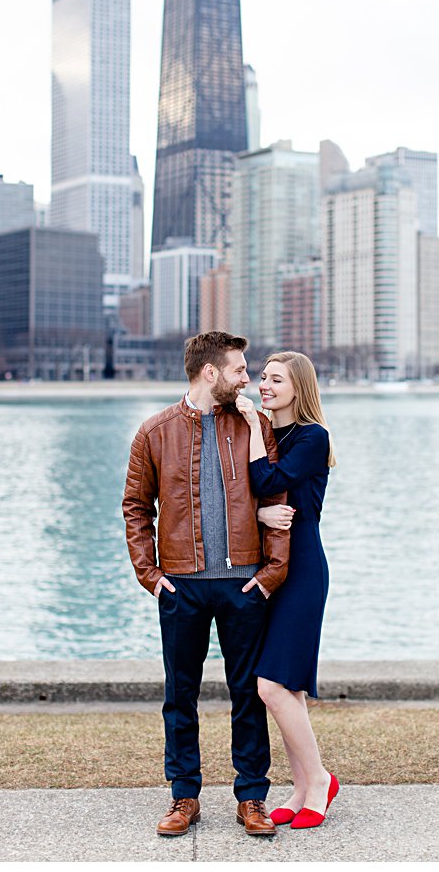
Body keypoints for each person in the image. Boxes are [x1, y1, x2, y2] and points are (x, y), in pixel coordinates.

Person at [122, 331, 291, 838]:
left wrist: (270, 575)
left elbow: (279, 498)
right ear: (210, 373)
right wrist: (150, 576)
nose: (249, 379)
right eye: (240, 370)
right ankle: (183, 797)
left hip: (245, 584)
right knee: (180, 695)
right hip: (181, 585)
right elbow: (136, 508)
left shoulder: (256, 426)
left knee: (248, 694)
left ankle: (252, 798)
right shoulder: (154, 432)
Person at [235, 351, 339, 829]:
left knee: (271, 686)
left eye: (276, 379)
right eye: (263, 377)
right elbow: (246, 497)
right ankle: (301, 788)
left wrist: (255, 429)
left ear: (299, 385)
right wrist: (256, 516)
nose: (265, 385)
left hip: (301, 570)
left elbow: (269, 480)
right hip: (268, 567)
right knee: (287, 688)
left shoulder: (313, 438)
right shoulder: (271, 434)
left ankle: (318, 780)